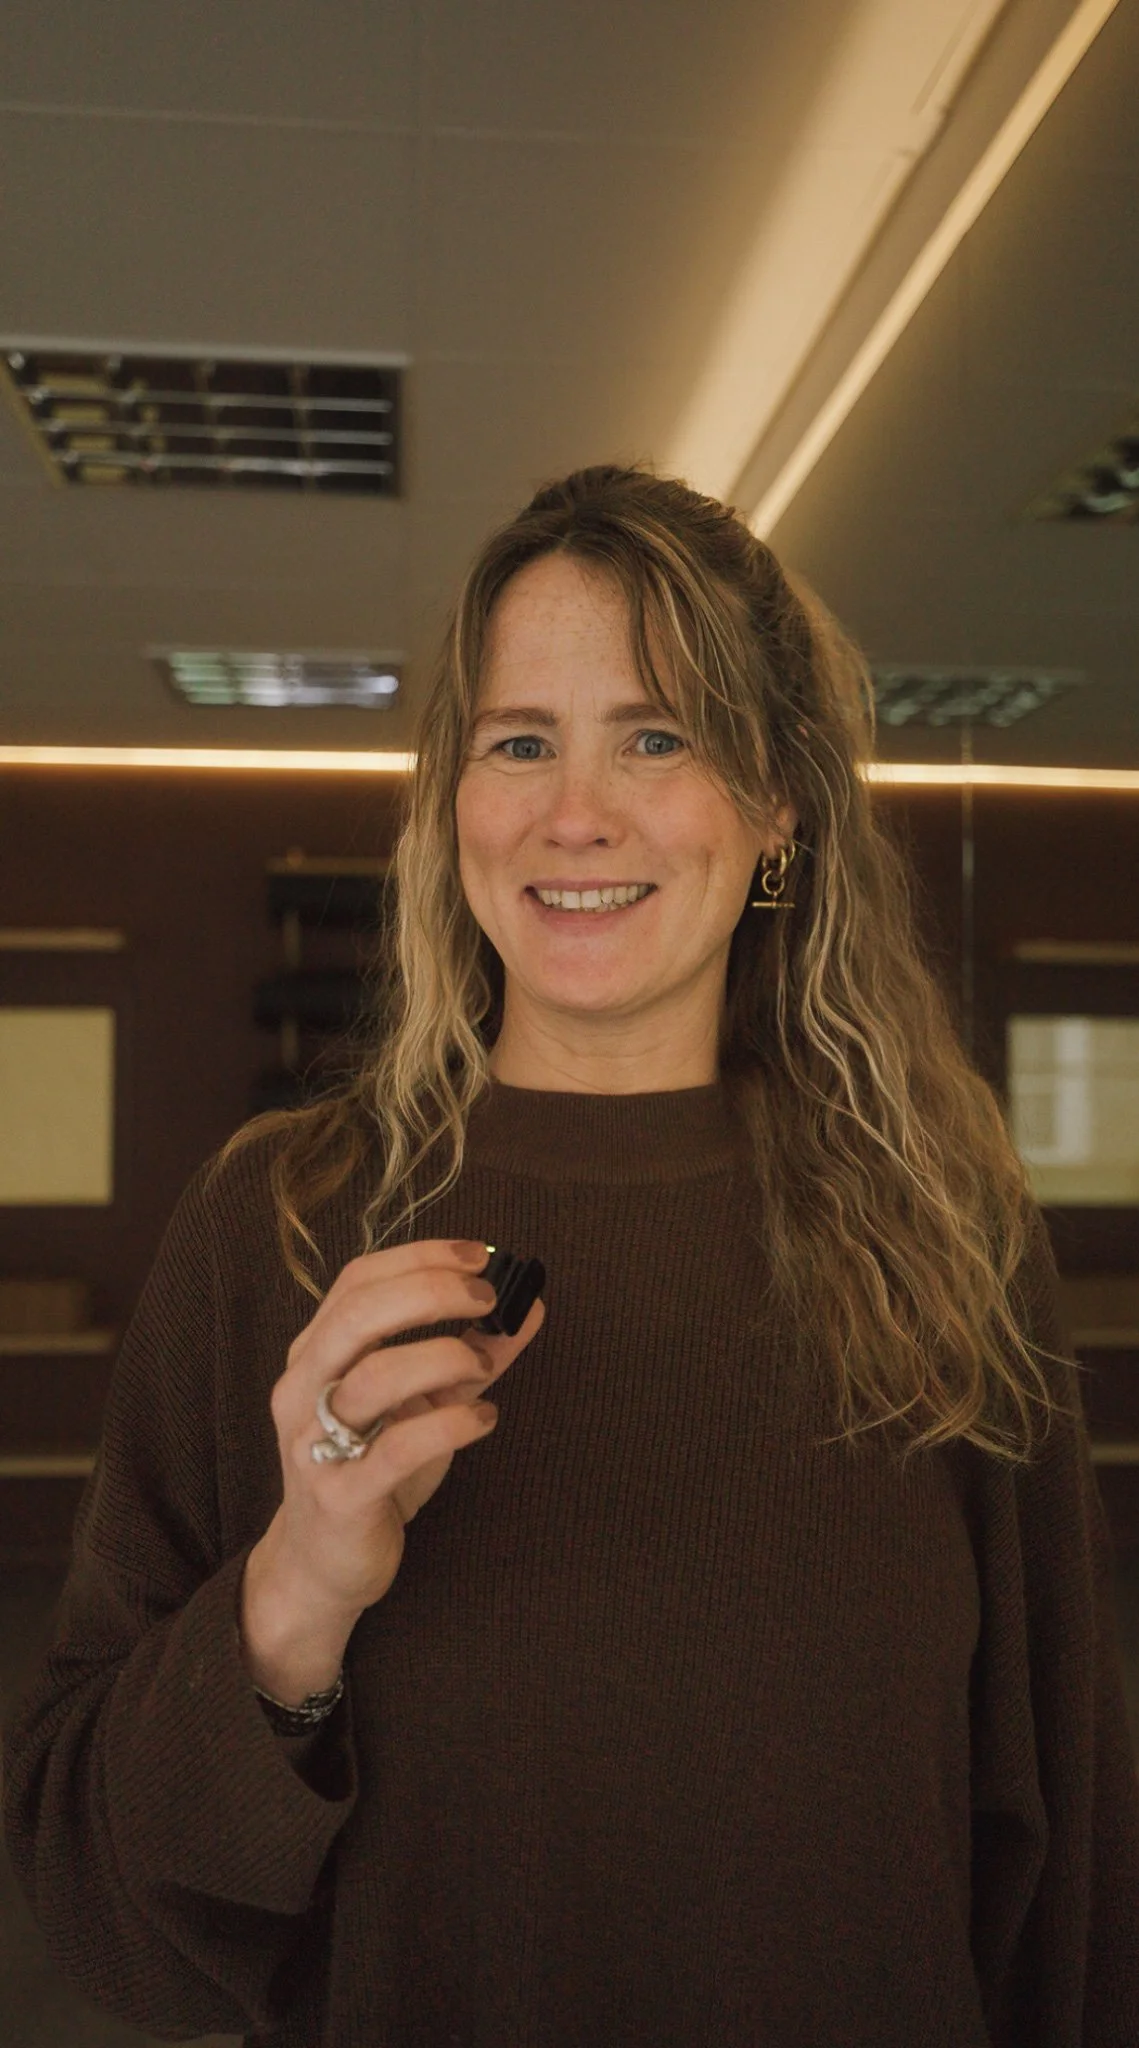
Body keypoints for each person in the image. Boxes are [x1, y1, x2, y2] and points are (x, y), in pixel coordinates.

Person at [5, 465, 1138, 2047]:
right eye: (518, 741)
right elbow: (94, 1909)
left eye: (655, 736)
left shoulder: (937, 1227)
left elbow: (1064, 1853)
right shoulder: (275, 1227)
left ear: (776, 810)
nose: (572, 811)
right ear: (449, 810)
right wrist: (293, 1598)